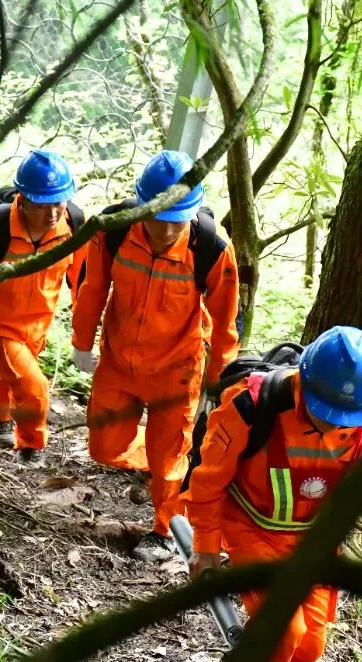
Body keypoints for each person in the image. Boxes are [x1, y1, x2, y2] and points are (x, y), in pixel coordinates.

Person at [181, 326, 362, 662]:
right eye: (324, 414)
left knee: (308, 650)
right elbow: (209, 479)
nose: (331, 426)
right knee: (283, 631)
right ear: (304, 383)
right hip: (251, 529)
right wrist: (205, 546)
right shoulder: (253, 405)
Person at [70, 149, 240, 562]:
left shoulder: (212, 248)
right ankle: (155, 465)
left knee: (169, 461)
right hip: (118, 360)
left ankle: (164, 529)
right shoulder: (114, 228)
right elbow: (92, 286)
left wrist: (219, 381)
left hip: (176, 371)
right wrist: (81, 342)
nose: (164, 231)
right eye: (156, 217)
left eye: (174, 220)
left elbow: (224, 321)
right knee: (104, 448)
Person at [0, 149, 86, 468]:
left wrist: (86, 330)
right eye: (42, 203)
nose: (52, 212)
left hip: (38, 328)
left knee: (15, 380)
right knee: (34, 386)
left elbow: (84, 281)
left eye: (59, 202)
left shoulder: (76, 225)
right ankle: (31, 447)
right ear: (24, 197)